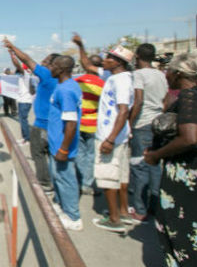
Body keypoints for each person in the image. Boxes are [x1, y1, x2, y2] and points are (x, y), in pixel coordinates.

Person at [144, 53, 197, 267]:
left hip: (185, 176)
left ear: (178, 73)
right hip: (192, 173)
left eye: (168, 70)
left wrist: (156, 155)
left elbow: (190, 137)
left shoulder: (189, 96)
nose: (166, 74)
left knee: (182, 228)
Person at [3, 38, 59, 192]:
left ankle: (45, 184)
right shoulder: (61, 79)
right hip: (56, 124)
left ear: (55, 65)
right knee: (53, 156)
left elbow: (27, 59)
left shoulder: (47, 75)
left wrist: (13, 47)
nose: (43, 62)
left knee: (39, 154)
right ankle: (56, 183)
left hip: (42, 125)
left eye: (47, 61)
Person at [91, 45, 135, 233]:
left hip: (111, 137)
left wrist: (110, 139)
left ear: (118, 62)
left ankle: (114, 218)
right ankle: (123, 211)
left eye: (108, 58)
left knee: (108, 176)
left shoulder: (121, 81)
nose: (104, 60)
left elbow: (124, 110)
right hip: (118, 136)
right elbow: (89, 65)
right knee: (121, 176)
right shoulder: (115, 77)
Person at [128, 43, 168, 222]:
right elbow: (167, 99)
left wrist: (129, 123)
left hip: (142, 124)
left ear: (137, 57)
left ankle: (140, 209)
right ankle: (156, 205)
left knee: (139, 166)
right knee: (154, 166)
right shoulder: (161, 74)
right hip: (158, 123)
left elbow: (138, 101)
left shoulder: (138, 75)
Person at [47, 56, 83, 231]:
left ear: (61, 69)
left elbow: (71, 123)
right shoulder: (63, 86)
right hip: (56, 143)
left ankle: (73, 217)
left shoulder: (66, 90)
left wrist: (64, 148)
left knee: (66, 179)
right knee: (59, 178)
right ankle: (61, 205)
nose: (50, 68)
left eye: (53, 65)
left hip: (63, 145)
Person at [72, 36, 106, 196]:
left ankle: (79, 181)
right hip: (95, 124)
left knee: (79, 153)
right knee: (92, 155)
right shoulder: (103, 84)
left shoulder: (77, 81)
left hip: (79, 123)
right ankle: (88, 183)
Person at [7, 50, 33, 145]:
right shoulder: (25, 75)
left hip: (25, 101)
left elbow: (17, 65)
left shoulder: (25, 74)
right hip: (23, 100)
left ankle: (27, 139)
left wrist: (12, 55)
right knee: (22, 120)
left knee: (23, 120)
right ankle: (24, 138)